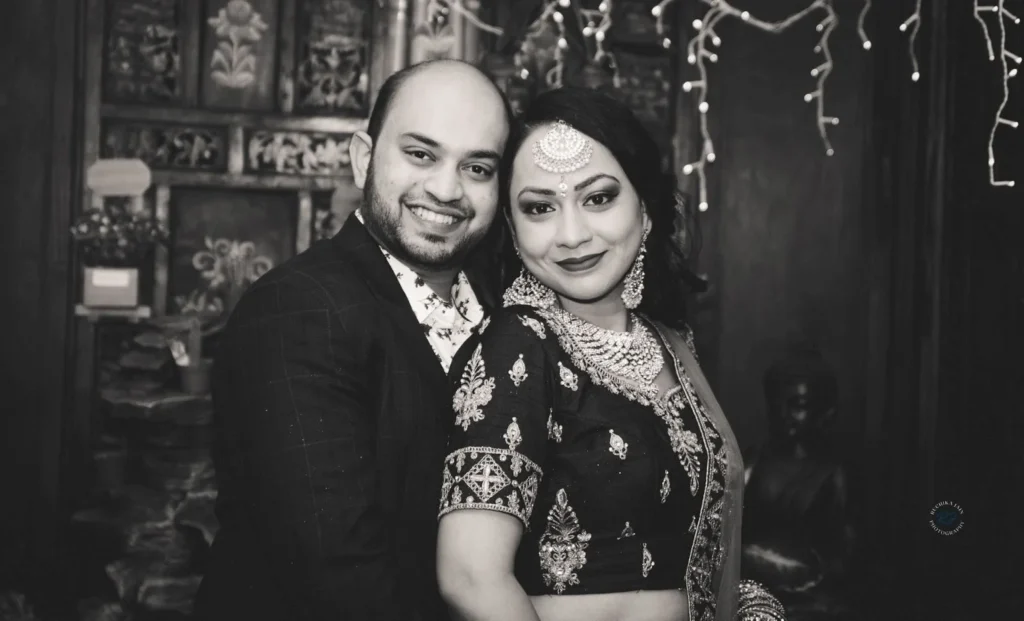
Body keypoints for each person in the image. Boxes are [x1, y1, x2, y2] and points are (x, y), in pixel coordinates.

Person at [435, 88, 785, 621]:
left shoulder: (672, 344)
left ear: (644, 209)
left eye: (598, 198)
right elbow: (469, 576)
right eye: (539, 208)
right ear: (510, 225)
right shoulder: (518, 346)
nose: (573, 235)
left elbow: (694, 548)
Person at [194, 59, 511, 621]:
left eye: (478, 167)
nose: (446, 188)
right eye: (420, 154)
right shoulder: (300, 309)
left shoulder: (503, 304)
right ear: (364, 158)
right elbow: (338, 577)